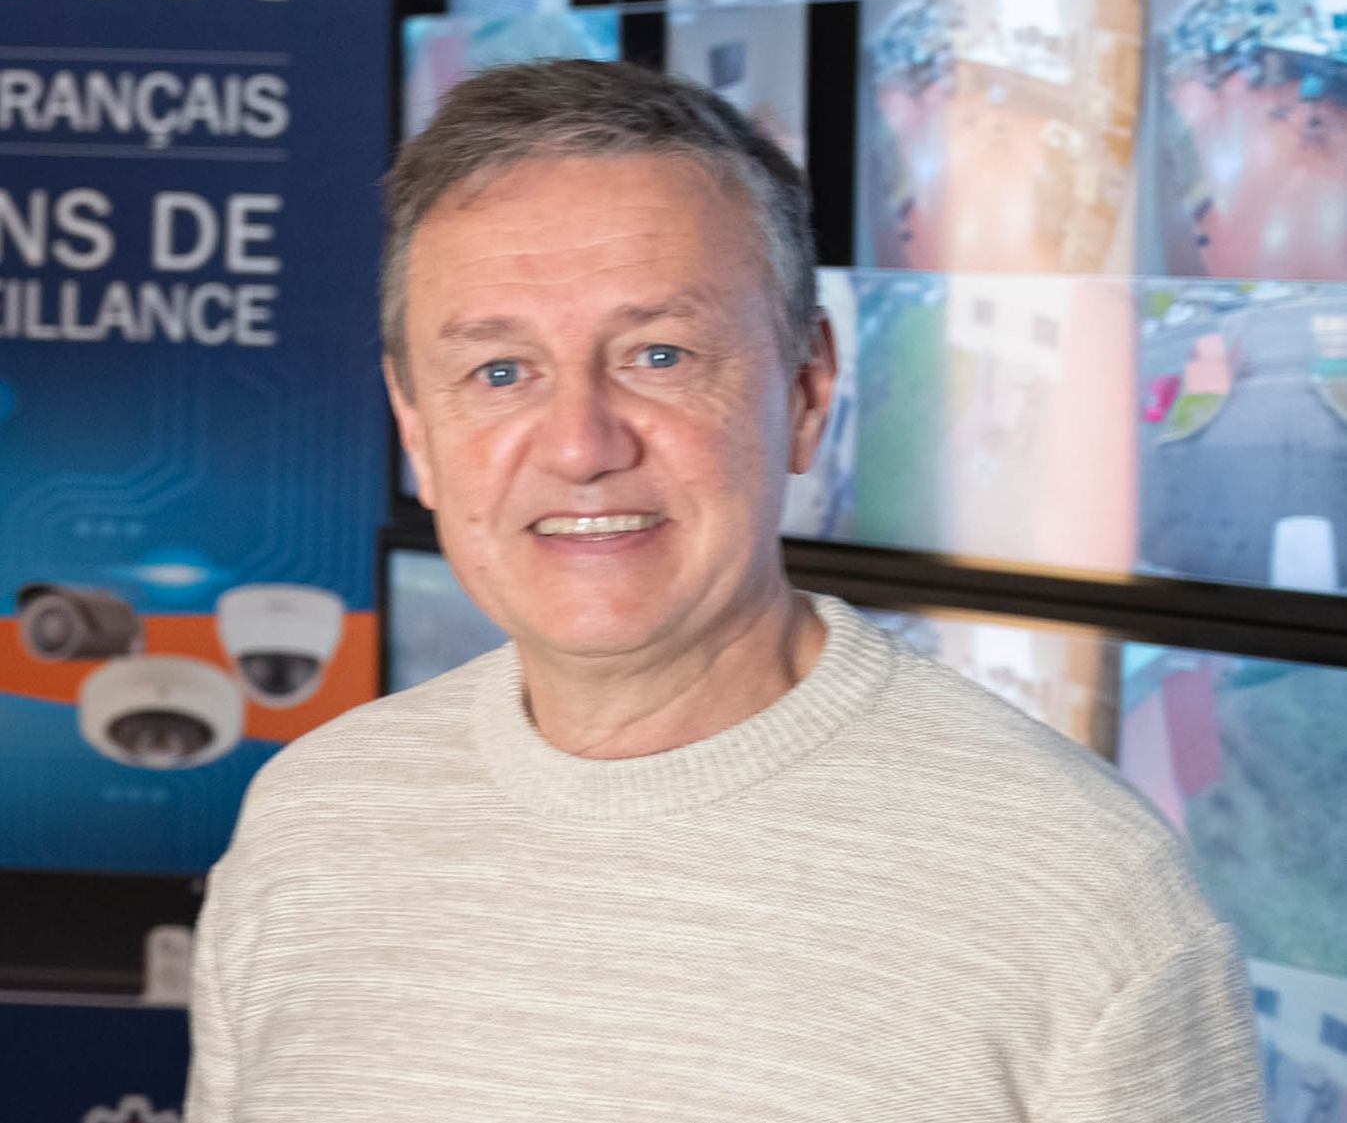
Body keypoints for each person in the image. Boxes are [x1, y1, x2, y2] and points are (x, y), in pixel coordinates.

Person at [185, 59, 1262, 1122]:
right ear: (418, 428)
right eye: (500, 372)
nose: (580, 445)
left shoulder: (1075, 891)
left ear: (807, 389)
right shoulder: (308, 824)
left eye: (658, 355)